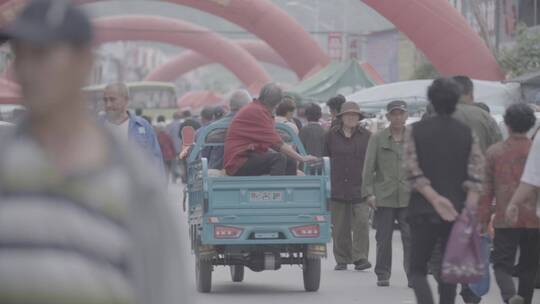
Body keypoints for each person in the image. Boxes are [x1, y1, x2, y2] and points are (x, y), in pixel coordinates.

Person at [0, 1, 185, 303]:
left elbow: (164, 291)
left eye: (42, 55)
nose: (27, 70)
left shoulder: (137, 185)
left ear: (85, 63)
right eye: (19, 55)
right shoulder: (5, 164)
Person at [404, 78, 484, 304]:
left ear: (430, 100)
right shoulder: (466, 132)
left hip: (422, 209)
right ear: (456, 101)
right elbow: (477, 172)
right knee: (449, 270)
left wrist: (434, 197)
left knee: (418, 268)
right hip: (456, 210)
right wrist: (468, 207)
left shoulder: (415, 131)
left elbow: (412, 170)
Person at [479, 104, 539, 304]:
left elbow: (486, 192)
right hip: (535, 219)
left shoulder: (495, 152)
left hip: (506, 218)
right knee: (529, 267)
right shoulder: (535, 149)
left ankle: (509, 295)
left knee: (501, 264)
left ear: (507, 124)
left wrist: (482, 220)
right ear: (531, 125)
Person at [362, 100, 411, 287]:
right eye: (394, 114)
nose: (398, 117)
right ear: (389, 116)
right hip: (384, 196)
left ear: (406, 116)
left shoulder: (413, 138)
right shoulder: (378, 138)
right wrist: (368, 193)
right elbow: (368, 167)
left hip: (408, 196)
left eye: (401, 113)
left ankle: (413, 275)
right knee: (383, 237)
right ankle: (382, 273)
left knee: (411, 237)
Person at [224, 83, 317, 176]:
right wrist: (302, 158)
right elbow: (277, 144)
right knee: (279, 159)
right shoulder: (257, 112)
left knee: (290, 161)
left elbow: (274, 143)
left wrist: (297, 158)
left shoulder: (257, 108)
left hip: (246, 156)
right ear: (276, 104)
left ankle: (289, 189)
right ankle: (276, 190)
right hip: (238, 162)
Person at [324, 101, 372, 271]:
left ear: (359, 117)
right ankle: (342, 258)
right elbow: (325, 160)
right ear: (342, 117)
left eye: (355, 115)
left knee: (361, 223)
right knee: (340, 226)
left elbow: (372, 162)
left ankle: (360, 257)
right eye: (348, 115)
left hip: (360, 187)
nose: (351, 117)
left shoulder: (367, 136)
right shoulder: (330, 136)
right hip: (338, 187)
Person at [103, 82, 165, 176]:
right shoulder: (97, 127)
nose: (108, 104)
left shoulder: (143, 126)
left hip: (137, 189)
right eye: (105, 100)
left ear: (126, 100)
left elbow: (155, 161)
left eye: (112, 100)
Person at [200, 90, 251, 170]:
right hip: (250, 174)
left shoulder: (213, 128)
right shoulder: (254, 126)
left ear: (230, 105)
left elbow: (204, 155)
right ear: (247, 106)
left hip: (216, 176)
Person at [452, 75, 502, 153]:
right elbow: (498, 147)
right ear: (471, 94)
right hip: (482, 164)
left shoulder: (437, 117)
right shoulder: (485, 116)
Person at [155, 115, 176, 182]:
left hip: (162, 154)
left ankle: (165, 179)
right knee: (169, 167)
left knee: (164, 167)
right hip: (169, 154)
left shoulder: (157, 136)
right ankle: (171, 178)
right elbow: (172, 144)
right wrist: (174, 153)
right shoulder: (167, 135)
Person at [166, 111, 183, 183]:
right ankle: (183, 177)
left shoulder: (170, 125)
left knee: (174, 163)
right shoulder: (181, 124)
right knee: (181, 163)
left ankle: (174, 178)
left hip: (172, 147)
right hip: (181, 146)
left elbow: (167, 136)